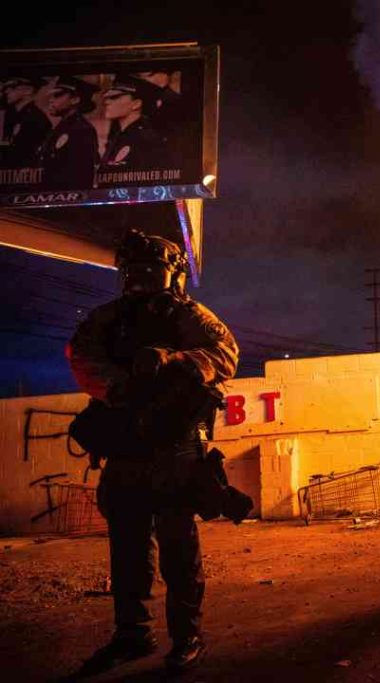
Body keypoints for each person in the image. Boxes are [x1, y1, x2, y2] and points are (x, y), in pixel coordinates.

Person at [68, 229, 239, 675]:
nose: (142, 280)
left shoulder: (189, 316)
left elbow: (225, 353)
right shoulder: (107, 319)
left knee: (178, 551)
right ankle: (133, 635)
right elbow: (83, 356)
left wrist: (173, 360)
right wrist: (117, 386)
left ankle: (187, 637)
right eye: (134, 272)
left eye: (152, 272)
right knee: (127, 552)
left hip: (175, 449)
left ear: (173, 275)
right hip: (125, 449)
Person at [96, 74, 167, 179]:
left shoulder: (145, 139)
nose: (106, 102)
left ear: (136, 104)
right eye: (107, 97)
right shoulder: (119, 136)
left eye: (114, 97)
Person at [36, 75, 99, 190]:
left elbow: (81, 175)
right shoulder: (61, 127)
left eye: (58, 95)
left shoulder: (81, 130)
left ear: (75, 99)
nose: (51, 100)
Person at [0, 76, 51, 169]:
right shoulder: (14, 116)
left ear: (28, 91)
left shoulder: (35, 119)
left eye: (12, 87)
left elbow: (27, 154)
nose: (6, 91)